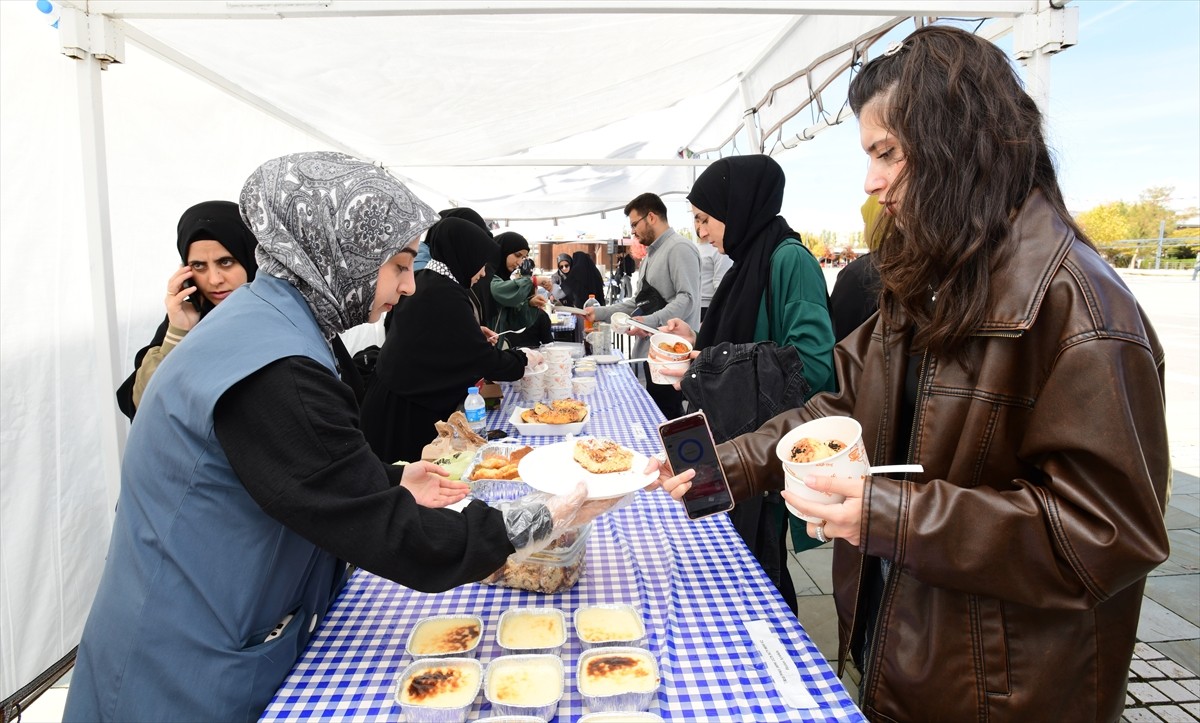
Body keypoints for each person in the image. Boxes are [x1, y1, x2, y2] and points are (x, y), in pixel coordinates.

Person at [652, 26, 1169, 721]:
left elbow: (1105, 534)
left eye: (886, 153)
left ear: (962, 143)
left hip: (999, 692)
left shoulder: (1082, 308)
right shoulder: (932, 280)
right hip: (907, 642)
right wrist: (717, 464)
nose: (870, 182)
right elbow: (835, 408)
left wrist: (888, 514)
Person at [65, 152, 614, 722]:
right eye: (398, 266)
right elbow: (385, 531)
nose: (408, 287)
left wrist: (390, 479)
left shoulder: (268, 320)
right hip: (180, 668)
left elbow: (297, 467)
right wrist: (532, 521)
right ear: (338, 253)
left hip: (210, 631)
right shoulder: (273, 367)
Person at [664, 154, 836, 610]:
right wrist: (697, 343)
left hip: (766, 447)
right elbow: (748, 341)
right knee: (742, 561)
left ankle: (778, 646)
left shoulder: (789, 260)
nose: (700, 232)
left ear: (737, 206)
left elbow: (813, 363)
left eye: (704, 218)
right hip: (739, 439)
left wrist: (713, 362)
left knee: (763, 569)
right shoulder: (746, 262)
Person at [360, 217, 538, 463]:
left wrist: (471, 332)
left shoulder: (429, 280)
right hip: (403, 413)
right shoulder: (444, 293)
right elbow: (481, 360)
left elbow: (435, 338)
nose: (483, 273)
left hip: (394, 397)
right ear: (464, 255)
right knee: (407, 476)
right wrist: (523, 358)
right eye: (480, 264)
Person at [115, 201, 258, 420]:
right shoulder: (189, 317)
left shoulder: (282, 314)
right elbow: (145, 407)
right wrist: (177, 332)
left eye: (226, 262)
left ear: (250, 257)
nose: (214, 280)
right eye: (199, 266)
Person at [586, 193, 700, 418]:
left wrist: (647, 322)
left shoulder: (679, 248)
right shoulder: (650, 256)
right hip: (651, 355)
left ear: (651, 217)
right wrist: (598, 312)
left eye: (634, 224)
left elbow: (687, 298)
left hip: (672, 357)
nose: (633, 232)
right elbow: (637, 302)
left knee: (669, 419)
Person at [474, 231, 554, 348]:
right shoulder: (483, 274)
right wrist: (533, 281)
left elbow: (513, 321)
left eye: (523, 257)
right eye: (517, 255)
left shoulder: (502, 278)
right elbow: (498, 291)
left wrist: (530, 304)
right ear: (503, 251)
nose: (520, 262)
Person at [694, 219, 733, 322]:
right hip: (693, 307)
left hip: (707, 308)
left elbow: (721, 285)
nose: (699, 225)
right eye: (696, 220)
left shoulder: (719, 249)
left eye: (704, 220)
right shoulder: (693, 248)